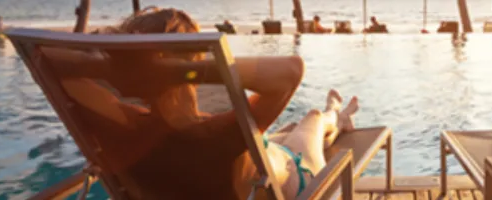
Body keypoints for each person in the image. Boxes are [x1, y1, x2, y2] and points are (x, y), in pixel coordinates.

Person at [39, 8, 357, 199]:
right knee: (313, 120)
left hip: (265, 152)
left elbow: (47, 58)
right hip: (294, 177)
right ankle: (335, 113)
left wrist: (129, 67)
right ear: (190, 66)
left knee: (291, 131)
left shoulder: (127, 125)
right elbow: (290, 70)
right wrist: (184, 70)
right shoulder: (217, 134)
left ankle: (336, 117)